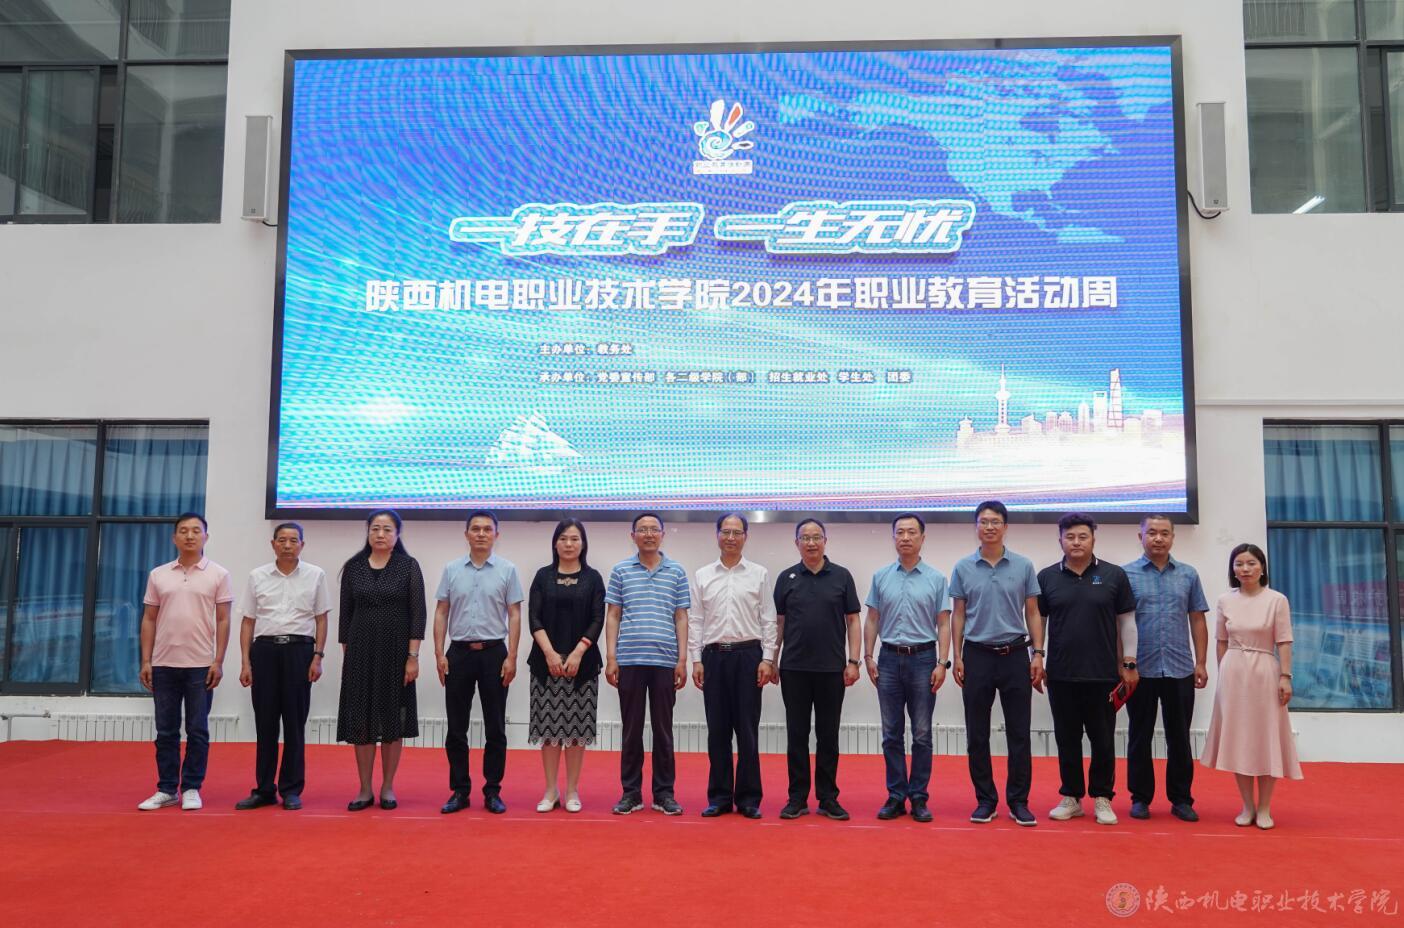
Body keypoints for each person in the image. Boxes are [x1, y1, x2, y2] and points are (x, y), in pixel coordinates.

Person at [1038, 513, 1138, 826]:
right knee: (1067, 739)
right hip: (1061, 674)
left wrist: (1129, 662)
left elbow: (1127, 621)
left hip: (1103, 674)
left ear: (1093, 539)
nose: (1076, 542)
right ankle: (1071, 797)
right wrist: (1036, 657)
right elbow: (1039, 622)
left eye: (1083, 536)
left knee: (1102, 740)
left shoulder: (1114, 575)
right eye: (1070, 537)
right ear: (1060, 541)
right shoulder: (1047, 577)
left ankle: (1102, 798)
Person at [950, 500, 1045, 826]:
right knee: (977, 734)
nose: (989, 527)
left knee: (1019, 733)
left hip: (1015, 655)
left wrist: (1038, 653)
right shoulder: (963, 567)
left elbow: (1032, 611)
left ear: (1005, 527)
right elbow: (958, 614)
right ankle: (985, 800)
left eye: (995, 522)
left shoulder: (1023, 565)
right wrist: (957, 655)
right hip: (977, 655)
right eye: (983, 522)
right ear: (976, 527)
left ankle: (1019, 801)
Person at [1200, 543, 1302, 829]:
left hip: (1265, 671)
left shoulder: (1276, 600)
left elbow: (1284, 641)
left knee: (1266, 738)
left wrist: (1285, 676)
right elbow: (1221, 641)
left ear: (1262, 567)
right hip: (1234, 672)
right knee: (1240, 739)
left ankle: (1265, 807)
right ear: (1233, 569)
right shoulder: (1225, 600)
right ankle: (1247, 806)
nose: (1245, 569)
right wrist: (1223, 673)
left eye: (1251, 563)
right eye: (1239, 564)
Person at [137, 513, 233, 811]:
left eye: (196, 531)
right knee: (165, 731)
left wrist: (218, 660)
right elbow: (149, 619)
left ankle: (191, 787)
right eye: (183, 531)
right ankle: (167, 789)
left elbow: (224, 619)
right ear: (174, 537)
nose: (190, 536)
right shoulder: (158, 574)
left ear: (206, 537)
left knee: (197, 730)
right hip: (164, 664)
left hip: (201, 665)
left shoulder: (219, 574)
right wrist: (146, 660)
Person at [234, 522, 330, 811]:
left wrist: (318, 656)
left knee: (294, 724)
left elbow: (321, 619)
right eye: (282, 540)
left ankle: (291, 789)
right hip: (264, 652)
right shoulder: (257, 576)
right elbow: (248, 621)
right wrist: (245, 661)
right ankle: (264, 789)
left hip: (300, 652)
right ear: (273, 544)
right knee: (265, 724)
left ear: (302, 544)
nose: (288, 545)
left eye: (293, 540)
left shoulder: (315, 575)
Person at [862, 513, 951, 823]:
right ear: (893, 537)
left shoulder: (937, 579)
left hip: (924, 660)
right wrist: (868, 657)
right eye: (900, 532)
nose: (905, 537)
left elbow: (944, 623)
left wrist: (942, 663)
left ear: (922, 538)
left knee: (922, 734)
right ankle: (896, 796)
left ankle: (919, 797)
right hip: (888, 659)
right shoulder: (881, 576)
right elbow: (872, 619)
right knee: (891, 733)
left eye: (912, 532)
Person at [336, 509, 426, 811]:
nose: (380, 534)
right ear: (367, 532)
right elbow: (345, 617)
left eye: (387, 529)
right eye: (375, 528)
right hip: (360, 652)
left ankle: (387, 786)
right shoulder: (354, 567)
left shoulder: (408, 566)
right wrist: (349, 657)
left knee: (392, 720)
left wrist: (412, 657)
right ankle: (364, 788)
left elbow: (418, 615)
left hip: (396, 654)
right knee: (361, 721)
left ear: (397, 535)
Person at [433, 511, 522, 815]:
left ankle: (492, 791)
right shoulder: (452, 569)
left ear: (497, 534)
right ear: (466, 534)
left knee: (495, 727)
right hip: (458, 653)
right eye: (475, 529)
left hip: (494, 653)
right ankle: (460, 790)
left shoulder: (508, 570)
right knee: (456, 727)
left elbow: (514, 614)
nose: (481, 534)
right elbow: (442, 611)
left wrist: (512, 656)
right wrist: (439, 653)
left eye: (487, 529)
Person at [773, 518, 861, 821]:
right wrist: (772, 660)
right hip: (794, 668)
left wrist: (853, 661)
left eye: (816, 537)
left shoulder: (842, 576)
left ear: (825, 541)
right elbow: (779, 623)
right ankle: (797, 798)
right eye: (805, 538)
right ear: (796, 542)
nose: (811, 543)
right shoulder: (786, 577)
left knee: (828, 736)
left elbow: (853, 620)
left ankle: (828, 797)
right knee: (796, 735)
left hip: (831, 670)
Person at [690, 513, 777, 819]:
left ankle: (749, 798)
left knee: (747, 731)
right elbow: (696, 620)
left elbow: (768, 619)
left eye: (736, 532)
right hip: (713, 657)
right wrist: (696, 659)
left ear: (745, 537)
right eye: (725, 532)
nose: (730, 537)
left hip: (748, 656)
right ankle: (719, 797)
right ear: (717, 535)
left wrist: (768, 659)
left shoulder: (759, 574)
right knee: (717, 731)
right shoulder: (702, 575)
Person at [1123, 515, 1209, 822]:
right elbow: (1119, 623)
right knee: (1139, 735)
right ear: (1141, 536)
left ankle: (1181, 799)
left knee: (1180, 737)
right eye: (1152, 533)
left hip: (1179, 667)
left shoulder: (1188, 574)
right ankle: (1140, 798)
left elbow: (1197, 618)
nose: (1158, 538)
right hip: (1140, 669)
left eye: (1164, 533)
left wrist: (1201, 662)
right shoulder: (1126, 575)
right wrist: (1123, 664)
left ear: (1173, 537)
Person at [604, 512, 690, 815]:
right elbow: (613, 614)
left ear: (663, 535)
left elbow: (681, 617)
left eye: (654, 529)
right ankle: (631, 793)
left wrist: (682, 660)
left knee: (663, 731)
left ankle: (664, 794)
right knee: (631, 730)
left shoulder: (676, 571)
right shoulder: (620, 570)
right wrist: (611, 658)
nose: (649, 534)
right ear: (633, 536)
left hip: (665, 661)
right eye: (643, 529)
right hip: (629, 659)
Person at [527, 518, 605, 813]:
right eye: (563, 538)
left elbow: (598, 618)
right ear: (555, 543)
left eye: (574, 539)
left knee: (575, 731)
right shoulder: (543, 576)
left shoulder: (593, 578)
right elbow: (534, 617)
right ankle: (551, 790)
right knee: (549, 732)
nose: (569, 544)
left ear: (583, 544)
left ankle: (572, 790)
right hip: (546, 665)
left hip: (581, 666)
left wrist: (578, 652)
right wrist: (549, 653)